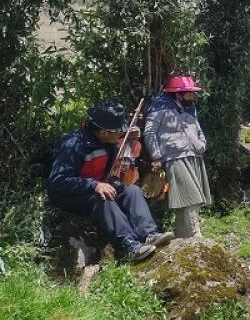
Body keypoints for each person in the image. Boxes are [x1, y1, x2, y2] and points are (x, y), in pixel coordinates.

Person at [48, 102, 174, 263]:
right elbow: (57, 180)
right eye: (119, 131)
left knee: (132, 191)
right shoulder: (73, 144)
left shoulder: (108, 143)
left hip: (95, 187)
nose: (122, 134)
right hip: (69, 195)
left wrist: (108, 183)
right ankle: (128, 247)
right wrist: (94, 185)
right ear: (104, 132)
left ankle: (149, 234)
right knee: (104, 198)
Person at [144, 76, 212, 238]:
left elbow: (197, 128)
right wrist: (156, 156)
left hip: (194, 155)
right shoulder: (159, 107)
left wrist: (202, 144)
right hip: (174, 158)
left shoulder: (190, 108)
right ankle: (196, 237)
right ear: (178, 94)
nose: (193, 96)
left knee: (188, 200)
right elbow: (149, 132)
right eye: (189, 93)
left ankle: (183, 237)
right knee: (190, 196)